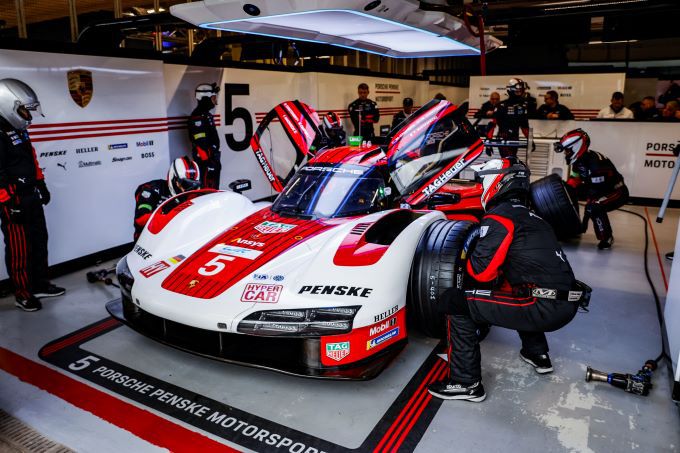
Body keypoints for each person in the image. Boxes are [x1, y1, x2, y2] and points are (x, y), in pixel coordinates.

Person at [428, 158, 585, 402]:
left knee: (454, 301)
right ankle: (537, 354)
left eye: (483, 181)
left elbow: (481, 273)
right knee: (518, 289)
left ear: (497, 181)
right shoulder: (536, 218)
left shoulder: (499, 217)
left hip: (543, 308)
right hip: (567, 305)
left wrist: (469, 254)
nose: (481, 186)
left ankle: (466, 383)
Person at [0, 78, 65, 312]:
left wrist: (41, 183)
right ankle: (23, 293)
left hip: (30, 195)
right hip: (12, 200)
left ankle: (39, 284)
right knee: (19, 249)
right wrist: (7, 201)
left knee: (39, 241)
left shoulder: (18, 130)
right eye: (23, 110)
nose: (27, 116)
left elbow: (32, 158)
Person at [554, 129, 629, 250]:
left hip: (616, 192)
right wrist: (565, 189)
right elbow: (575, 179)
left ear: (576, 147)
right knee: (570, 191)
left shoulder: (596, 165)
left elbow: (596, 192)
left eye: (567, 151)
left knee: (595, 207)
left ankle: (607, 238)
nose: (565, 154)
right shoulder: (578, 161)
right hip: (597, 188)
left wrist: (585, 218)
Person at [133, 157, 202, 241]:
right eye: (185, 184)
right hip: (149, 242)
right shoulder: (150, 189)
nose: (188, 189)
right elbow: (141, 219)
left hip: (179, 239)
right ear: (174, 178)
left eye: (194, 185)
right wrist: (171, 217)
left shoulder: (193, 194)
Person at [188, 82, 221, 189]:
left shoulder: (206, 115)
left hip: (211, 158)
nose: (214, 101)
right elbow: (200, 143)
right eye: (212, 98)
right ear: (204, 98)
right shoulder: (197, 116)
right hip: (205, 161)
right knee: (207, 189)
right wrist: (208, 161)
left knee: (214, 188)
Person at [493, 78, 537, 157]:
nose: (520, 93)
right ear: (511, 90)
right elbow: (492, 124)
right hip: (503, 137)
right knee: (508, 160)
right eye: (517, 91)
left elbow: (524, 126)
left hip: (515, 138)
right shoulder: (501, 105)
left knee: (512, 161)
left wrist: (530, 140)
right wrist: (488, 144)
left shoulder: (522, 106)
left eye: (521, 90)